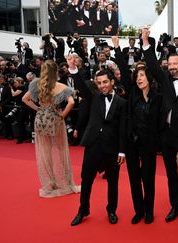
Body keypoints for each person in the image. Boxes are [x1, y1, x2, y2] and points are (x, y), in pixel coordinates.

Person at [142, 28, 178, 223]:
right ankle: (176, 207)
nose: (172, 67)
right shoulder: (164, 79)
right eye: (170, 64)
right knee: (171, 174)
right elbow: (151, 64)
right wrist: (146, 41)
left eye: (175, 64)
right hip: (166, 135)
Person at [68, 56, 127, 226]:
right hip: (93, 145)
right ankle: (83, 210)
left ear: (112, 82)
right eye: (99, 83)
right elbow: (80, 85)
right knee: (86, 179)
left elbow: (123, 128)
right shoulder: (94, 97)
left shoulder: (122, 103)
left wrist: (122, 151)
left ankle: (111, 210)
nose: (102, 86)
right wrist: (73, 68)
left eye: (105, 82)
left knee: (113, 182)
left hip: (112, 147)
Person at [113, 36, 160, 224]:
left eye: (142, 75)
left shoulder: (157, 97)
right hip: (132, 142)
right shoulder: (132, 92)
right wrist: (117, 48)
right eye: (137, 76)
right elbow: (124, 71)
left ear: (148, 77)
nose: (139, 78)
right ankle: (138, 211)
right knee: (134, 178)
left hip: (149, 144)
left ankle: (149, 211)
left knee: (148, 179)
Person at [22, 60, 80, 198]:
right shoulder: (61, 86)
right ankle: (65, 183)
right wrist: (62, 115)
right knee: (60, 150)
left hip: (41, 119)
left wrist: (39, 109)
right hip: (54, 119)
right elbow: (71, 102)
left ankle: (50, 183)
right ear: (56, 72)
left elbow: (25, 99)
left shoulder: (37, 84)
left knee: (45, 151)